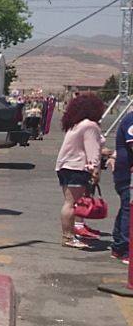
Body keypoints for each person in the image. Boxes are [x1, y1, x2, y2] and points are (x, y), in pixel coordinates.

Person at [55, 92, 104, 249]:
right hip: (76, 167)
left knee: (69, 202)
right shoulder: (90, 125)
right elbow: (92, 150)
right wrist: (95, 170)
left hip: (66, 166)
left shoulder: (76, 124)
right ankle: (68, 237)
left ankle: (71, 233)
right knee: (71, 203)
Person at [111, 108, 133, 264]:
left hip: (123, 171)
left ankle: (119, 246)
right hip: (127, 173)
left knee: (126, 207)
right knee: (129, 210)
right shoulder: (131, 120)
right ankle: (126, 249)